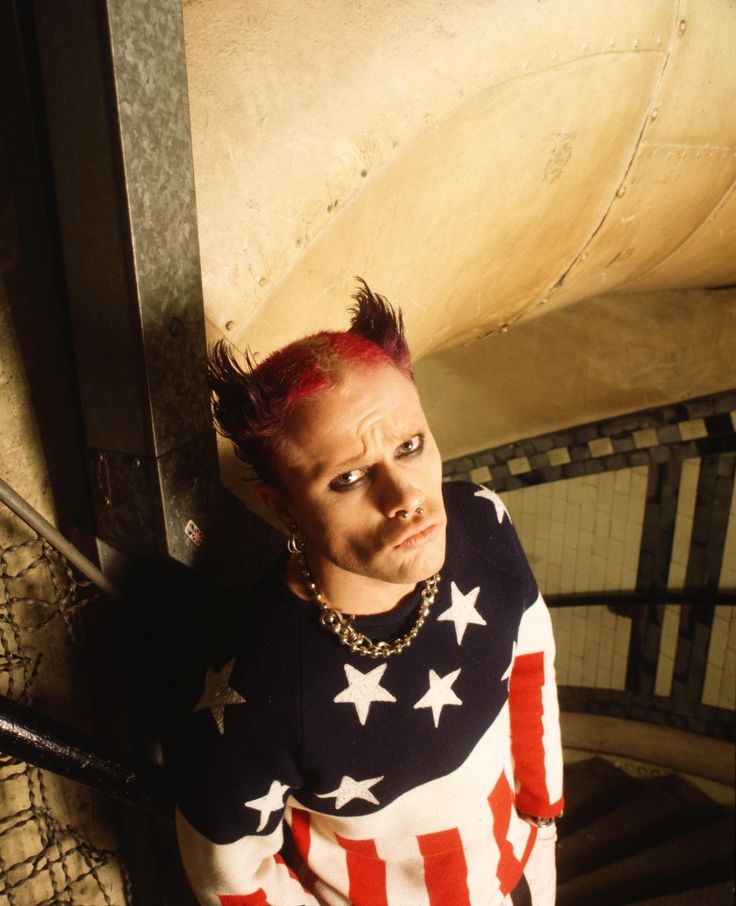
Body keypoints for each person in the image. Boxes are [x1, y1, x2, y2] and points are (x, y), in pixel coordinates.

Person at [175, 280, 564, 906]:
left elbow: (532, 667)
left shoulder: (484, 525)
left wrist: (543, 820)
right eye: (350, 478)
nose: (405, 496)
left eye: (409, 446)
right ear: (282, 508)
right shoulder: (260, 684)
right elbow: (230, 881)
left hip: (522, 873)